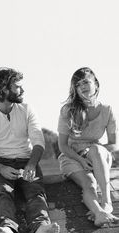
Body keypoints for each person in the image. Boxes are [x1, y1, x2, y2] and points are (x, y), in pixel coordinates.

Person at [0, 67, 60, 233]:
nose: (23, 90)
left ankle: (41, 227)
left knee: (35, 192)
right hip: (0, 163)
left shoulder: (27, 109)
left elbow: (38, 142)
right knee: (3, 193)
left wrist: (31, 164)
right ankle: (7, 227)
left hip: (28, 160)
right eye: (18, 86)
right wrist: (1, 169)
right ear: (4, 89)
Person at [57, 67, 119, 227]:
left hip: (98, 157)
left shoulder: (107, 110)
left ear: (96, 84)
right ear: (75, 90)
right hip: (72, 157)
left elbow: (113, 144)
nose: (82, 86)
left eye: (85, 82)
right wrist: (81, 159)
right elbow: (62, 146)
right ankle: (99, 213)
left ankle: (107, 203)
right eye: (77, 85)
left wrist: (93, 153)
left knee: (96, 149)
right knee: (89, 185)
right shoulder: (67, 111)